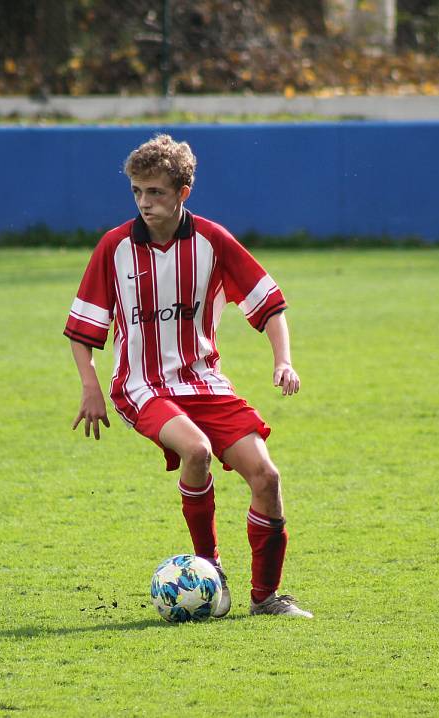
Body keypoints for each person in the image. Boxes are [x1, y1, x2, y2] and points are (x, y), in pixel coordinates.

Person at [64, 134, 312, 618]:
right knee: (195, 449)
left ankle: (266, 599)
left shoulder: (213, 241)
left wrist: (283, 360)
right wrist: (90, 386)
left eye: (155, 192)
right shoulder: (114, 247)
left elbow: (269, 304)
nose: (144, 202)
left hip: (204, 382)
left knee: (266, 477)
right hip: (142, 386)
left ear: (183, 192)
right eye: (137, 191)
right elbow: (83, 328)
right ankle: (211, 568)